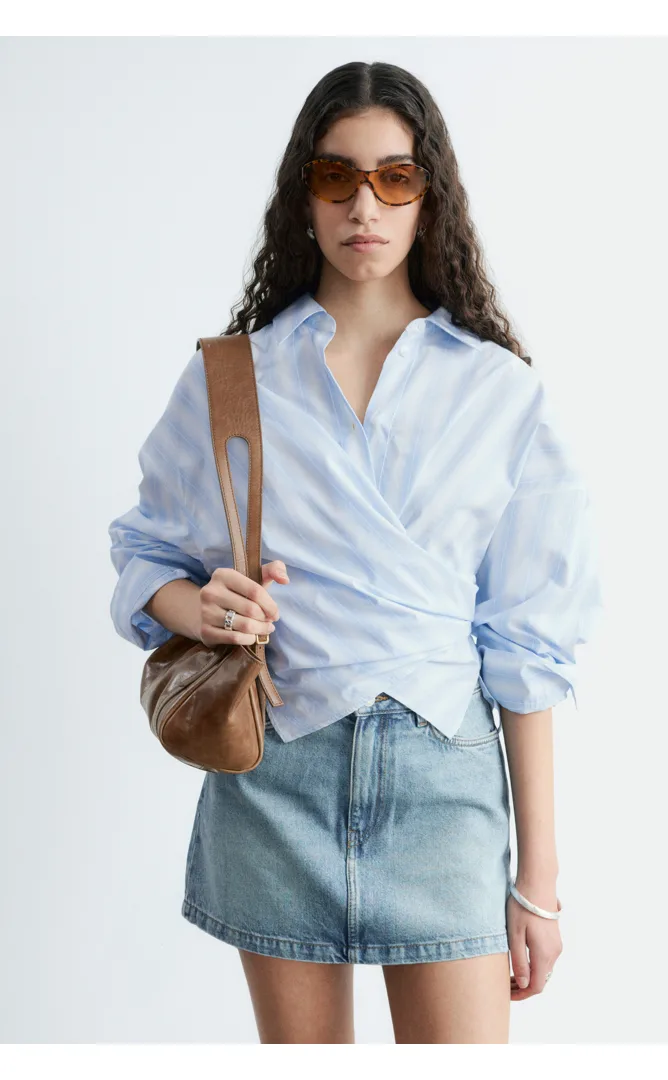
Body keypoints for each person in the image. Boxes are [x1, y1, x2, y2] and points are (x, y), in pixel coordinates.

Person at [108, 60, 603, 1044]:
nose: (363, 206)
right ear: (304, 195)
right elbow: (145, 552)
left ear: (430, 196)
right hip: (278, 776)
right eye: (336, 176)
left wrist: (537, 883)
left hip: (445, 788)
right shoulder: (234, 376)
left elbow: (527, 646)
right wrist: (200, 607)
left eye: (394, 178)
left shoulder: (498, 390)